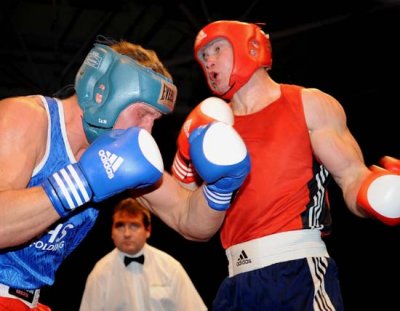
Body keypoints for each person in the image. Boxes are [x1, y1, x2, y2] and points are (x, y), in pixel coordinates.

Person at [0, 36, 250, 310]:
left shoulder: (114, 154)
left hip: (27, 301)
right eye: (143, 114)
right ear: (102, 93)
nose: (146, 132)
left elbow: (189, 221)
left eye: (154, 120)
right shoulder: (26, 118)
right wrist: (81, 181)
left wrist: (220, 188)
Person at [169, 20, 400, 310]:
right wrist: (183, 159)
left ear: (251, 46)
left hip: (297, 271)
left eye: (216, 49)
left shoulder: (308, 104)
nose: (209, 61)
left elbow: (352, 177)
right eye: (203, 57)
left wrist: (376, 193)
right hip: (236, 279)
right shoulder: (211, 128)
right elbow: (185, 211)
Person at [79, 197, 207, 311]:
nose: (127, 233)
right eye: (120, 226)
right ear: (112, 231)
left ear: (148, 230)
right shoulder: (100, 274)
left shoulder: (170, 268)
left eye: (134, 226)